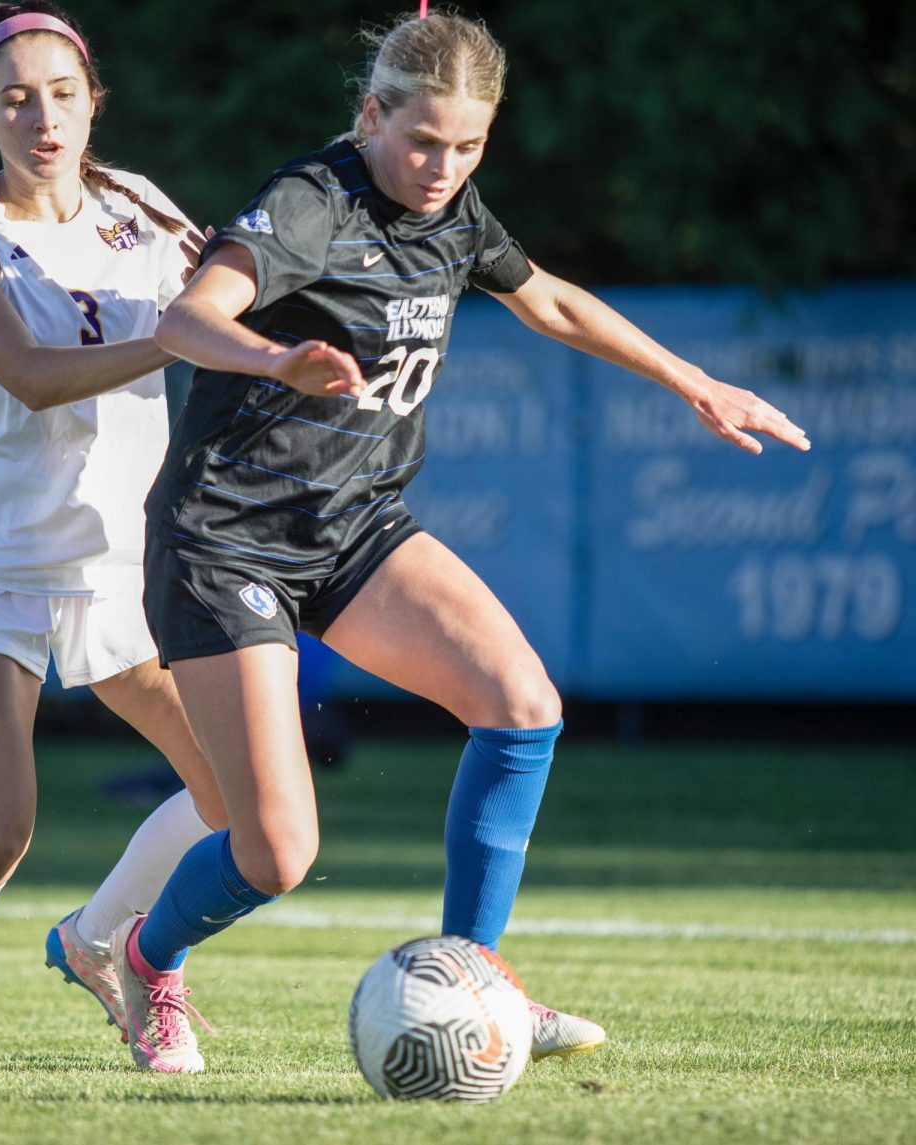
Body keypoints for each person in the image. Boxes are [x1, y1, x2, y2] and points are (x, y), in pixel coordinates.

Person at [110, 8, 813, 1075]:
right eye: (423, 139)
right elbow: (185, 319)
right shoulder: (312, 199)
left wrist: (696, 382)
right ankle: (141, 958)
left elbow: (554, 304)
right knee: (278, 851)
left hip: (355, 528)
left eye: (469, 144)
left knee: (523, 704)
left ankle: (473, 973)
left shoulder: (457, 213)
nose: (443, 165)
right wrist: (273, 356)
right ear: (371, 112)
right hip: (228, 540)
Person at [0, 1, 229, 1069]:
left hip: (114, 564)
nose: (44, 117)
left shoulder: (135, 202)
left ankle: (103, 942)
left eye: (64, 93)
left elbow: (239, 293)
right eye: (17, 98)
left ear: (93, 103)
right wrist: (179, 336)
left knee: (237, 798)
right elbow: (34, 378)